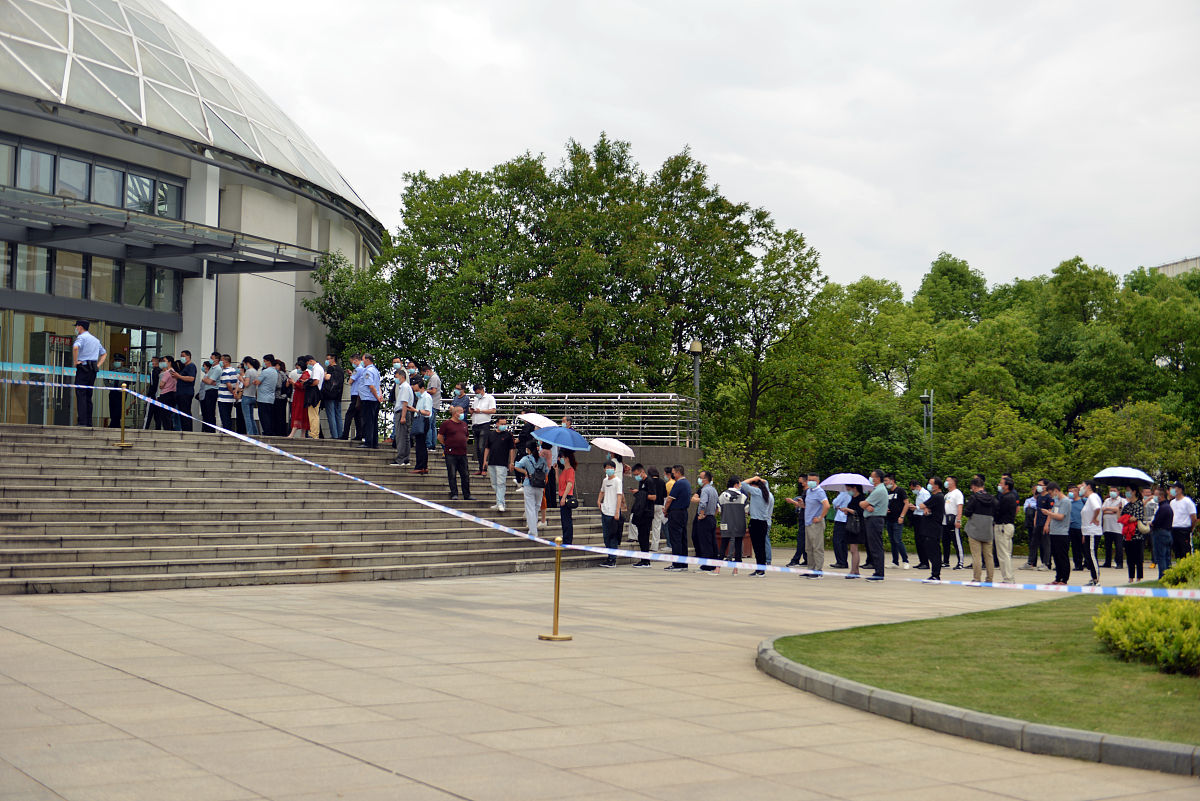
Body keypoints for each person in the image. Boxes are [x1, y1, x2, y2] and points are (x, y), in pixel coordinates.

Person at [71, 320, 106, 426]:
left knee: (81, 394)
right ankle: (89, 422)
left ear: (80, 327)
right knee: (88, 396)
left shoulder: (81, 337)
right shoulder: (96, 340)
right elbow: (104, 354)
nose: (76, 328)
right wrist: (98, 365)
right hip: (93, 370)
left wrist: (75, 362)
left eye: (77, 326)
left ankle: (82, 422)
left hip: (83, 368)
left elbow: (75, 347)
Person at [962, 476, 996, 584]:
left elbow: (967, 512)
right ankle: (989, 578)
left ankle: (977, 578)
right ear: (983, 486)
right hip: (988, 529)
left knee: (976, 556)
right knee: (989, 556)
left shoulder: (974, 498)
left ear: (973, 486)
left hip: (975, 529)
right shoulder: (992, 498)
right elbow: (997, 511)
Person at [438, 402, 473, 500]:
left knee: (465, 474)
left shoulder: (464, 424)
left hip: (462, 453)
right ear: (455, 413)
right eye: (461, 412)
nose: (463, 414)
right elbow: (440, 437)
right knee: (452, 474)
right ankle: (454, 493)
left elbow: (466, 436)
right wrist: (447, 444)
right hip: (450, 453)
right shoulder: (446, 424)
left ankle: (467, 494)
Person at [859, 470, 888, 581]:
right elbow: (865, 504)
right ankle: (878, 571)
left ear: (878, 478)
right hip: (873, 519)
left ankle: (879, 573)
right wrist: (866, 505)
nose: (870, 479)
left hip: (875, 520)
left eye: (872, 477)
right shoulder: (877, 490)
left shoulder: (879, 490)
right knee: (874, 546)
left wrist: (865, 505)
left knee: (876, 546)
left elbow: (863, 503)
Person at [663, 466, 694, 571]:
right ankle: (683, 564)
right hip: (683, 513)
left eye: (673, 473)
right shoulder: (687, 483)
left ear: (678, 473)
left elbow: (669, 499)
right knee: (682, 539)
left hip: (675, 513)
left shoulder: (678, 483)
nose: (672, 475)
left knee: (675, 538)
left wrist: (665, 510)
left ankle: (676, 564)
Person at [514, 441, 547, 538]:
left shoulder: (526, 458)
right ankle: (533, 528)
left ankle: (533, 531)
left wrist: (525, 472)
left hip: (529, 484)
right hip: (540, 486)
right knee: (536, 507)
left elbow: (517, 466)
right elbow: (546, 471)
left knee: (530, 508)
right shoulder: (542, 460)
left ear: (528, 449)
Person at [800, 473, 830, 577]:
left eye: (813, 480)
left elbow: (827, 505)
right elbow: (809, 506)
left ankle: (818, 570)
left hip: (816, 524)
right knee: (809, 548)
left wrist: (820, 517)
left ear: (818, 481)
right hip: (808, 522)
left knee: (817, 548)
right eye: (809, 480)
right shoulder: (809, 491)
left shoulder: (820, 492)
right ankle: (811, 569)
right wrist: (801, 504)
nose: (810, 482)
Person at [596, 461, 625, 567]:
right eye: (607, 468)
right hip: (605, 511)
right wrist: (599, 501)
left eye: (611, 467)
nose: (609, 469)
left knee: (613, 536)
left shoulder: (617, 481)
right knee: (606, 536)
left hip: (613, 513)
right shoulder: (605, 480)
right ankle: (609, 556)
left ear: (614, 469)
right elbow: (602, 491)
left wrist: (617, 511)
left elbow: (619, 496)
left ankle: (613, 559)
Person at [483, 417, 515, 511]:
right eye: (502, 424)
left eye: (505, 424)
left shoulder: (508, 435)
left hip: (502, 463)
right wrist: (484, 460)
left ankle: (501, 503)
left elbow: (512, 449)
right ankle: (499, 502)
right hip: (492, 462)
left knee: (501, 483)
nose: (503, 426)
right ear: (497, 424)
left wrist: (511, 462)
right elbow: (487, 448)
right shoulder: (491, 434)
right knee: (494, 483)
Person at [690, 470, 719, 572]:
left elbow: (703, 503)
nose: (699, 479)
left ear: (705, 479)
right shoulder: (714, 490)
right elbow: (717, 506)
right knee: (712, 541)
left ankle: (707, 565)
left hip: (705, 518)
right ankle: (714, 563)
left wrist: (701, 515)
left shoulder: (705, 490)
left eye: (700, 477)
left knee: (704, 542)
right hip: (711, 517)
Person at [918, 478, 946, 583]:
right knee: (931, 550)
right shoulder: (935, 497)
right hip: (930, 527)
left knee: (934, 552)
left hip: (933, 528)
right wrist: (926, 508)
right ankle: (934, 574)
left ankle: (935, 575)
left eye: (931, 484)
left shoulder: (937, 497)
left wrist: (925, 507)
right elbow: (925, 507)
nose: (929, 485)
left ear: (936, 486)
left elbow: (922, 505)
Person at [718, 477, 748, 573]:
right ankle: (736, 569)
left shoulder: (722, 495)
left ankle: (717, 568)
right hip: (739, 523)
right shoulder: (743, 497)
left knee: (723, 544)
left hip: (726, 523)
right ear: (736, 484)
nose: (740, 485)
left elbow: (719, 509)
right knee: (738, 546)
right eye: (739, 483)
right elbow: (746, 510)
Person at [1045, 481, 1072, 585]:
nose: (1050, 496)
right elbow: (1053, 513)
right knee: (1056, 556)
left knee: (1062, 556)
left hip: (1062, 533)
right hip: (1054, 531)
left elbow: (1061, 516)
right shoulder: (1056, 501)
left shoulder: (1065, 501)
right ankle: (1058, 577)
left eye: (1051, 493)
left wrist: (1048, 513)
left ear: (1056, 490)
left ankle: (1064, 579)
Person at [993, 476, 1019, 583]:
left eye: (1001, 483)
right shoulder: (1012, 496)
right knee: (1006, 553)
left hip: (1003, 527)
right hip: (1008, 526)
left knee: (1003, 554)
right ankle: (1009, 577)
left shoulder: (1006, 498)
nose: (999, 485)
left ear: (1007, 486)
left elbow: (999, 511)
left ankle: (1008, 578)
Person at [883, 473, 910, 569]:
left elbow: (906, 503)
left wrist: (902, 516)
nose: (885, 483)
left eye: (886, 481)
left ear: (892, 481)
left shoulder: (900, 490)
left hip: (897, 519)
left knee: (897, 540)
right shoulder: (888, 492)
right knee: (892, 541)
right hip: (889, 519)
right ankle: (895, 562)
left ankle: (905, 561)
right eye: (884, 481)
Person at [390, 360, 414, 466]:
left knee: (401, 437)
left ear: (402, 377)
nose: (396, 379)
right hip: (404, 412)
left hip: (402, 412)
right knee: (405, 437)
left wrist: (403, 416)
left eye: (397, 377)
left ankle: (400, 458)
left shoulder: (404, 387)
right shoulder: (406, 387)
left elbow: (404, 403)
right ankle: (405, 458)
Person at [469, 384, 496, 476]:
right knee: (477, 448)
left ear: (482, 390)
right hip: (475, 424)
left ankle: (484, 467)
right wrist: (471, 411)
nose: (477, 394)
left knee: (482, 447)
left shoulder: (489, 398)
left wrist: (480, 411)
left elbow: (493, 410)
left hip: (484, 424)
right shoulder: (475, 399)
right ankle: (480, 468)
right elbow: (473, 410)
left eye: (478, 392)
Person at [1079, 481, 1102, 586]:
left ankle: (1096, 580)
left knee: (1092, 555)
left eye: (1082, 485)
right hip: (1088, 532)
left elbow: (1097, 508)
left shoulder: (1093, 497)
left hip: (1093, 531)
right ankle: (1093, 578)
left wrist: (1095, 518)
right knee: (1088, 556)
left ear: (1088, 487)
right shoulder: (1089, 499)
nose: (1080, 487)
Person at [358, 354, 383, 449]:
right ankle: (374, 442)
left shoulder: (368, 371)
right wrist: (379, 396)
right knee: (374, 421)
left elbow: (371, 386)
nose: (362, 361)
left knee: (368, 421)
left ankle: (368, 442)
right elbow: (378, 385)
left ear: (368, 360)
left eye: (363, 359)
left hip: (369, 399)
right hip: (374, 399)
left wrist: (377, 396)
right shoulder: (375, 370)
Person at [841, 485, 867, 578]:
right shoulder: (853, 498)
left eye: (849, 489)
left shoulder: (861, 499)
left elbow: (859, 512)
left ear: (854, 488)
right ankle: (856, 571)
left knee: (854, 549)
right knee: (853, 549)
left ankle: (853, 570)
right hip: (851, 524)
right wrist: (847, 511)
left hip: (857, 526)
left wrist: (848, 509)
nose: (848, 491)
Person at [1149, 486, 1173, 580]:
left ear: (1161, 496)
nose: (1154, 497)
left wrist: (1152, 524)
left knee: (1161, 556)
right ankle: (1169, 575)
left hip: (1160, 533)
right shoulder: (1168, 506)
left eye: (1155, 495)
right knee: (1167, 556)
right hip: (1167, 533)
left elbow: (1157, 522)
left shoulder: (1163, 508)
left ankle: (1162, 576)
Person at [906, 479, 930, 570]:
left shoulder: (924, 493)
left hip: (922, 518)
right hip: (917, 517)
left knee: (922, 540)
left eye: (913, 489)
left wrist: (916, 507)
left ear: (916, 486)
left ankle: (925, 562)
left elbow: (927, 505)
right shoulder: (919, 494)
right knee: (918, 541)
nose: (913, 491)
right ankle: (922, 561)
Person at [1168, 483, 1196, 559]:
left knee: (1185, 551)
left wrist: (1191, 528)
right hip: (1174, 529)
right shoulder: (1172, 502)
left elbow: (1193, 517)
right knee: (1177, 551)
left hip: (1184, 529)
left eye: (1175, 488)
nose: (1173, 490)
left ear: (1180, 490)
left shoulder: (1187, 501)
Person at [1100, 486, 1126, 569]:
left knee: (1118, 546)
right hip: (1107, 527)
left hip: (1117, 527)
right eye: (1111, 490)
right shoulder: (1107, 500)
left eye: (1114, 490)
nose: (1112, 492)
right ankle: (1107, 562)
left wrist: (1109, 509)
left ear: (1118, 492)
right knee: (1108, 546)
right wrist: (1112, 510)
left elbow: (1120, 510)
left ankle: (1119, 563)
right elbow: (1102, 509)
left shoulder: (1122, 500)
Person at [943, 476, 965, 570]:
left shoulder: (957, 493)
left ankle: (960, 562)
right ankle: (946, 561)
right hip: (945, 520)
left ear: (953, 482)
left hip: (953, 520)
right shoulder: (947, 495)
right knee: (945, 541)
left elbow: (960, 507)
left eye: (948, 481)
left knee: (956, 541)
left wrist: (958, 520)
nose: (946, 482)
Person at [558, 450, 578, 547]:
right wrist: (556, 470)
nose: (560, 459)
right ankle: (565, 538)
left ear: (567, 458)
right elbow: (559, 483)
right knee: (564, 519)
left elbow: (569, 484)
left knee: (566, 519)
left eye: (562, 457)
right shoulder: (564, 470)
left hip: (566, 496)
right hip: (562, 495)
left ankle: (568, 540)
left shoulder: (570, 470)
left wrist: (564, 497)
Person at [784, 483, 808, 568]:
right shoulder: (806, 492)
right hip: (803, 518)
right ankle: (807, 559)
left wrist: (793, 502)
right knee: (804, 540)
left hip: (806, 519)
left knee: (801, 540)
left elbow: (806, 506)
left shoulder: (809, 492)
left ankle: (796, 559)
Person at [412, 379, 432, 473]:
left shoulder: (426, 397)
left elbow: (428, 412)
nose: (416, 392)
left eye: (417, 390)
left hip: (423, 420)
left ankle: (421, 466)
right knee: (420, 444)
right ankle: (422, 465)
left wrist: (416, 410)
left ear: (422, 388)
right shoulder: (420, 398)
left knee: (421, 444)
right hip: (419, 420)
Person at [321, 354, 344, 440]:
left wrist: (324, 374)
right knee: (338, 415)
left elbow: (327, 378)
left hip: (329, 394)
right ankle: (340, 434)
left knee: (331, 415)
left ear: (333, 359)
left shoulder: (330, 368)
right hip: (338, 394)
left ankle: (334, 435)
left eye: (328, 359)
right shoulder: (340, 369)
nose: (327, 361)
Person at [173, 350, 197, 430]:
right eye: (181, 356)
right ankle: (184, 429)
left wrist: (179, 376)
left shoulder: (191, 366)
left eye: (183, 356)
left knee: (186, 412)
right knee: (182, 413)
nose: (181, 358)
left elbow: (191, 378)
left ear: (188, 356)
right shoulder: (185, 367)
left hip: (186, 393)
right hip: (180, 393)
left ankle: (188, 430)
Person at [199, 351, 221, 432]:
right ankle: (207, 429)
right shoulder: (212, 368)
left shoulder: (217, 369)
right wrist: (207, 380)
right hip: (208, 391)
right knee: (207, 412)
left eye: (212, 358)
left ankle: (211, 430)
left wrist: (207, 380)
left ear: (217, 360)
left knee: (210, 412)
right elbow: (206, 379)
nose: (210, 360)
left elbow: (209, 381)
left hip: (212, 391)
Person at [421, 364, 442, 452]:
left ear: (427, 371)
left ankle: (429, 444)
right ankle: (432, 444)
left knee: (429, 425)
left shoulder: (434, 378)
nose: (424, 376)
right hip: (434, 404)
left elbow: (433, 391)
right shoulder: (434, 378)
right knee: (432, 426)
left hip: (432, 405)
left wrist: (424, 391)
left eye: (424, 374)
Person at [287, 358, 310, 438]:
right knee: (302, 415)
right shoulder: (305, 374)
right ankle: (302, 434)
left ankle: (292, 433)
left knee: (298, 414)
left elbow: (301, 386)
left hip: (300, 397)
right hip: (301, 397)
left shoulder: (305, 375)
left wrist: (293, 382)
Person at [256, 355, 278, 437]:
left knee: (263, 416)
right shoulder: (275, 372)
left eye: (264, 361)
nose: (263, 363)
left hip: (263, 397)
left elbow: (257, 382)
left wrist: (254, 381)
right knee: (269, 416)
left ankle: (266, 432)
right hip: (271, 397)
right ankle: (270, 431)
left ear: (268, 361)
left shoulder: (265, 371)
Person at [155, 355, 177, 430]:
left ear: (170, 362)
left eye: (164, 361)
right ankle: (170, 429)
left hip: (165, 395)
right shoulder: (173, 371)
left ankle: (167, 430)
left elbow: (161, 385)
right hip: (172, 394)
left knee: (164, 415)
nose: (163, 363)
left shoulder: (167, 372)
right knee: (169, 415)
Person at [104, 353, 127, 428]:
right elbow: (105, 379)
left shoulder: (127, 371)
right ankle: (113, 423)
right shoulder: (112, 371)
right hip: (113, 392)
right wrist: (110, 387)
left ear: (123, 362)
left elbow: (132, 382)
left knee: (119, 409)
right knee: (112, 407)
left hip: (121, 393)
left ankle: (116, 424)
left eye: (119, 361)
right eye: (116, 360)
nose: (117, 362)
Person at [648, 465, 668, 552]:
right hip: (660, 505)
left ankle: (645, 544)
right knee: (657, 526)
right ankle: (655, 546)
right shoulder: (662, 482)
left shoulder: (649, 481)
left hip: (650, 505)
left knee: (647, 525)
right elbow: (665, 495)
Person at [1067, 484, 1086, 572]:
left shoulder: (1083, 501)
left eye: (1072, 491)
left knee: (1083, 547)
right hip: (1071, 527)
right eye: (1069, 492)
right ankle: (1078, 564)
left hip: (1081, 527)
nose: (1070, 493)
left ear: (1077, 492)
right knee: (1075, 547)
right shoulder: (1068, 502)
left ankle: (1088, 563)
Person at [239, 357, 259, 437]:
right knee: (251, 417)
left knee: (247, 417)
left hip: (246, 396)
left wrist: (241, 379)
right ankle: (255, 432)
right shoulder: (256, 371)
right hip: (253, 396)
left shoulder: (248, 371)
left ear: (247, 363)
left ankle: (250, 433)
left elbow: (246, 384)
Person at [142, 355, 162, 430]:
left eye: (152, 361)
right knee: (157, 415)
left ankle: (145, 429)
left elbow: (154, 385)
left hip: (153, 396)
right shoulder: (160, 371)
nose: (151, 362)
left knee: (148, 414)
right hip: (158, 396)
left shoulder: (154, 371)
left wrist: (152, 394)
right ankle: (158, 429)